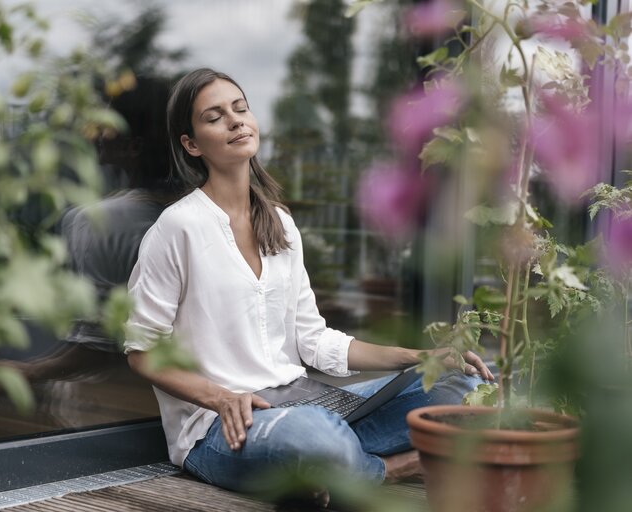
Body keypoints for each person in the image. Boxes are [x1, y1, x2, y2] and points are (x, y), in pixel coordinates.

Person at [124, 68, 494, 500]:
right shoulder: (178, 228)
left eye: (240, 109)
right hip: (223, 429)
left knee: (464, 385)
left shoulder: (279, 222)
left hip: (308, 402)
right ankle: (392, 467)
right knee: (315, 437)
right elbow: (141, 351)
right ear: (191, 143)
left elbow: (313, 339)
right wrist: (221, 397)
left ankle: (336, 465)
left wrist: (421, 357)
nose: (235, 121)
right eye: (215, 117)